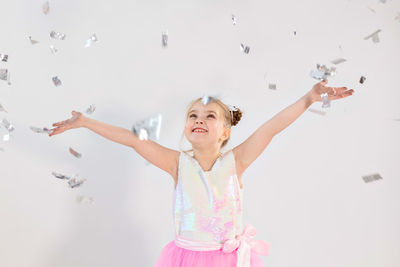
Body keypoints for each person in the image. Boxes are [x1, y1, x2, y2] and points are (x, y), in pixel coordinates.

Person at [49, 80, 354, 267]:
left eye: (210, 116)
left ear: (224, 132)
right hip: (185, 259)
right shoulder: (176, 163)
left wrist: (307, 99)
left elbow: (271, 128)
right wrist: (86, 122)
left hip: (228, 261)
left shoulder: (237, 161)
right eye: (193, 115)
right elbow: (131, 140)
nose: (199, 119)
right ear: (186, 126)